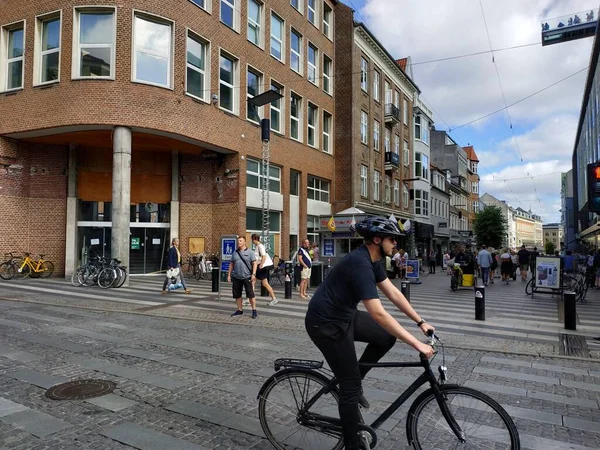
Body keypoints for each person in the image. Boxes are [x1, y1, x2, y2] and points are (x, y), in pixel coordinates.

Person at [305, 217, 435, 450]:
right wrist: (417, 344)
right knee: (350, 387)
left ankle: (355, 382)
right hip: (325, 324)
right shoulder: (360, 264)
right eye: (391, 238)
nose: (395, 243)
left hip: (344, 315)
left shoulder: (374, 259)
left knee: (385, 337)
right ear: (377, 239)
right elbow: (378, 313)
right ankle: (352, 444)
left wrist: (420, 321)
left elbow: (393, 294)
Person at [228, 236, 258, 319]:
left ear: (244, 242)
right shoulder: (235, 252)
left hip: (247, 276)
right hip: (236, 277)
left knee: (251, 295)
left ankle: (254, 310)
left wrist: (254, 274)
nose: (239, 242)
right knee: (237, 295)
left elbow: (254, 263)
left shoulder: (250, 252)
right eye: (238, 241)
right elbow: (231, 264)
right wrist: (229, 274)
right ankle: (239, 310)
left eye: (240, 241)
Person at [251, 234, 278, 306]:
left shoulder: (260, 246)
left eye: (252, 239)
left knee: (253, 280)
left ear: (254, 239)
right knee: (263, 283)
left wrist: (261, 265)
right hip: (261, 267)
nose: (252, 241)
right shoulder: (258, 246)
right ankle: (274, 298)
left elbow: (264, 256)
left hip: (261, 267)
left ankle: (250, 298)